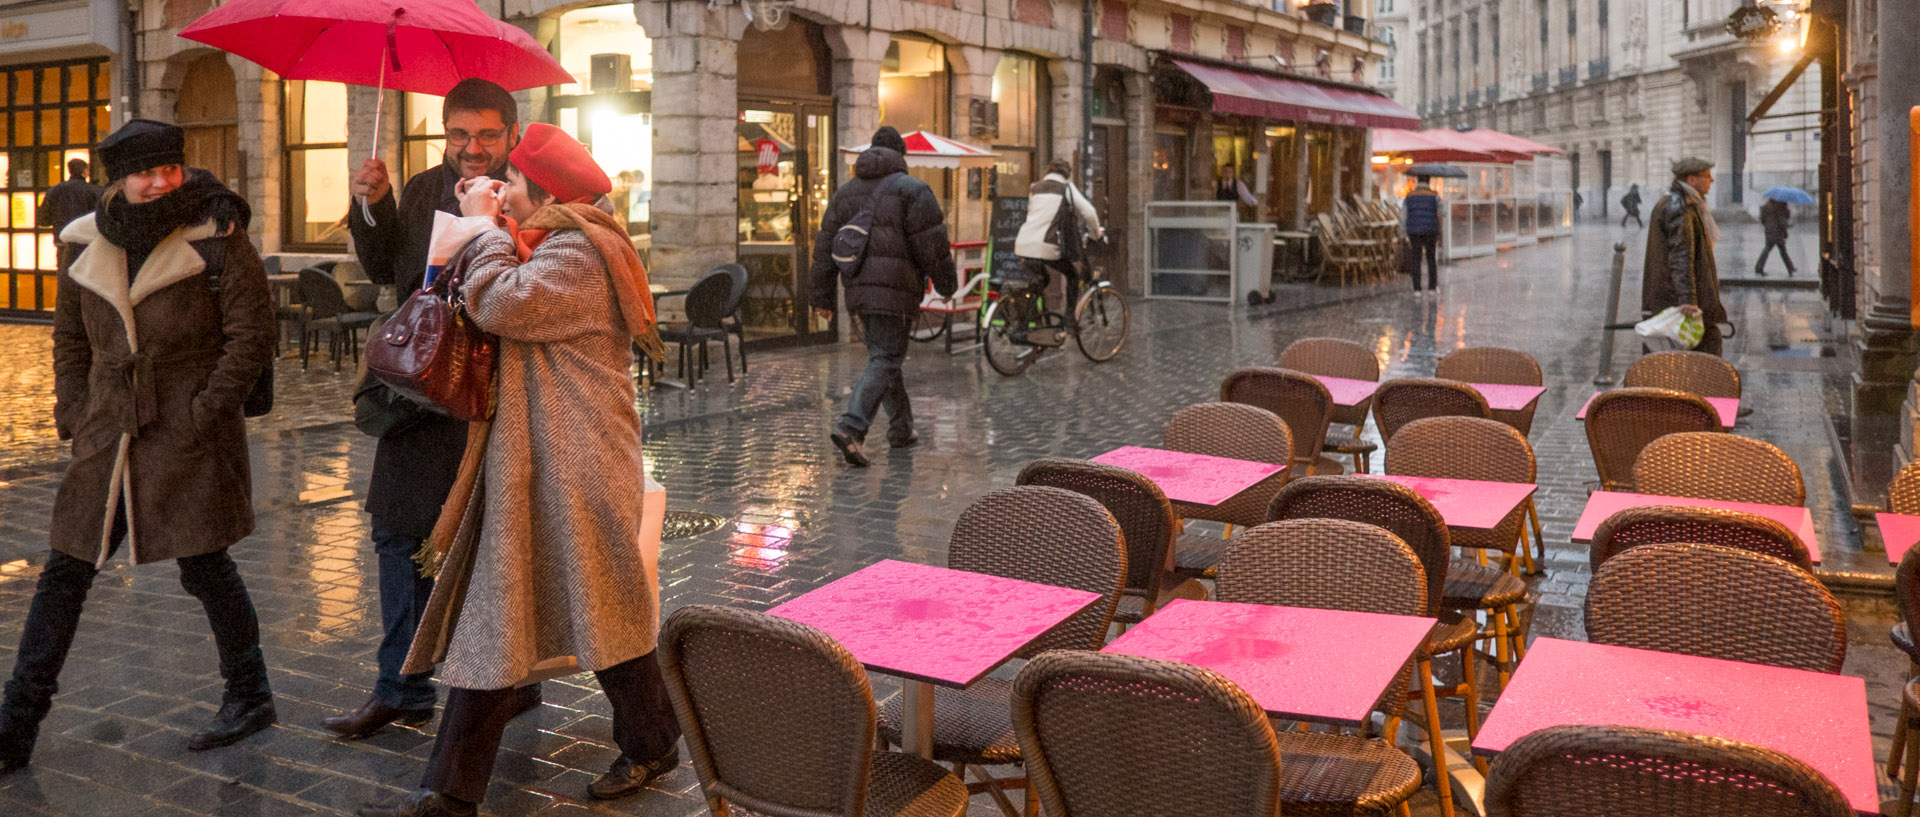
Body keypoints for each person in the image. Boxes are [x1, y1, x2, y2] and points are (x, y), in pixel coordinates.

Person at [357, 124, 678, 817]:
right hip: (543, 460)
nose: (505, 189)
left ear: (551, 193)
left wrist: (480, 229)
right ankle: (462, 788)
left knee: (586, 609)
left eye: (516, 182)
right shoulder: (563, 240)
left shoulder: (582, 250)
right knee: (541, 612)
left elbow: (505, 300)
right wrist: (491, 228)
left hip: (579, 463)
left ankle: (457, 793)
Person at [0, 119, 277, 771]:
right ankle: (17, 721)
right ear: (118, 178)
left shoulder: (217, 234)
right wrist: (73, 409)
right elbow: (69, 338)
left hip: (186, 428)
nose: (160, 182)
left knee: (205, 564)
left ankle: (251, 692)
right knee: (66, 568)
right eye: (146, 172)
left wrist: (206, 410)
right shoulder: (84, 241)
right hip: (106, 429)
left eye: (170, 169)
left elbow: (252, 333)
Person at [338, 78, 542, 741]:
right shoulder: (426, 188)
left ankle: (514, 681)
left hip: (491, 396)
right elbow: (381, 268)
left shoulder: (531, 193)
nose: (471, 147)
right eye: (459, 134)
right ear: (444, 133)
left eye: (486, 134)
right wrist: (370, 204)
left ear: (511, 134)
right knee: (397, 534)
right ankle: (401, 686)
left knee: (493, 546)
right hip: (417, 391)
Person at [808, 126, 956, 467]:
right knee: (886, 358)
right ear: (900, 156)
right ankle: (852, 427)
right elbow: (933, 245)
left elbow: (823, 247)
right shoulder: (913, 190)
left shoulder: (845, 193)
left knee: (884, 357)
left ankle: (902, 429)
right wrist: (947, 285)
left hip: (858, 292)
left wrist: (822, 298)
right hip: (896, 292)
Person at [1643, 157, 1727, 356]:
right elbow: (1681, 256)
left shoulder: (1686, 203)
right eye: (1707, 176)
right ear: (1691, 180)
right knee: (1701, 355)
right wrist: (1688, 299)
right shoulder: (1679, 207)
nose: (1712, 181)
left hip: (1682, 296)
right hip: (1681, 301)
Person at [1014, 157, 1104, 313]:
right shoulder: (1065, 188)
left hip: (1022, 244)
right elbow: (1089, 213)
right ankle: (1069, 320)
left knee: (1042, 279)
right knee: (1073, 276)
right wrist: (1096, 235)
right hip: (1045, 245)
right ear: (1067, 174)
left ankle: (1022, 323)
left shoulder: (1035, 188)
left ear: (1049, 170)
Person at [39, 158, 102, 272]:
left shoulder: (54, 190)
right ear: (85, 171)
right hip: (86, 242)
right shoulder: (93, 191)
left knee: (64, 277)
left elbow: (44, 219)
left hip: (62, 241)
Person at [1402, 176, 1442, 296]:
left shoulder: (1409, 196)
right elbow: (1442, 211)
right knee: (1431, 259)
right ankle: (1432, 288)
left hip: (1414, 231)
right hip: (1431, 230)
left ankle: (1417, 289)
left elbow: (1403, 215)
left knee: (1416, 259)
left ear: (1418, 182)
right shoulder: (1434, 195)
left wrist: (1402, 233)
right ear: (1428, 181)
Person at [1757, 197, 1796, 277]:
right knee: (1782, 251)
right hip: (1777, 232)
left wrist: (1768, 226)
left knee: (1768, 249)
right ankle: (1790, 268)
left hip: (1769, 231)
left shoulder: (1766, 207)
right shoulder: (1780, 208)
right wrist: (1790, 223)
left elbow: (1762, 220)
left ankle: (1759, 267)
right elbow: (1783, 222)